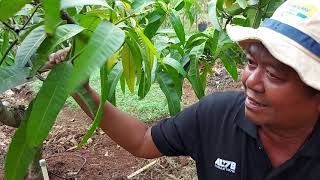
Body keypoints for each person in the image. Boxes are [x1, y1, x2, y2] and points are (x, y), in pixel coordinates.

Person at [49, 0, 320, 179]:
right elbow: (143, 141)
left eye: (273, 74)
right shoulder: (218, 116)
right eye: (250, 62)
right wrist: (80, 89)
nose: (250, 81)